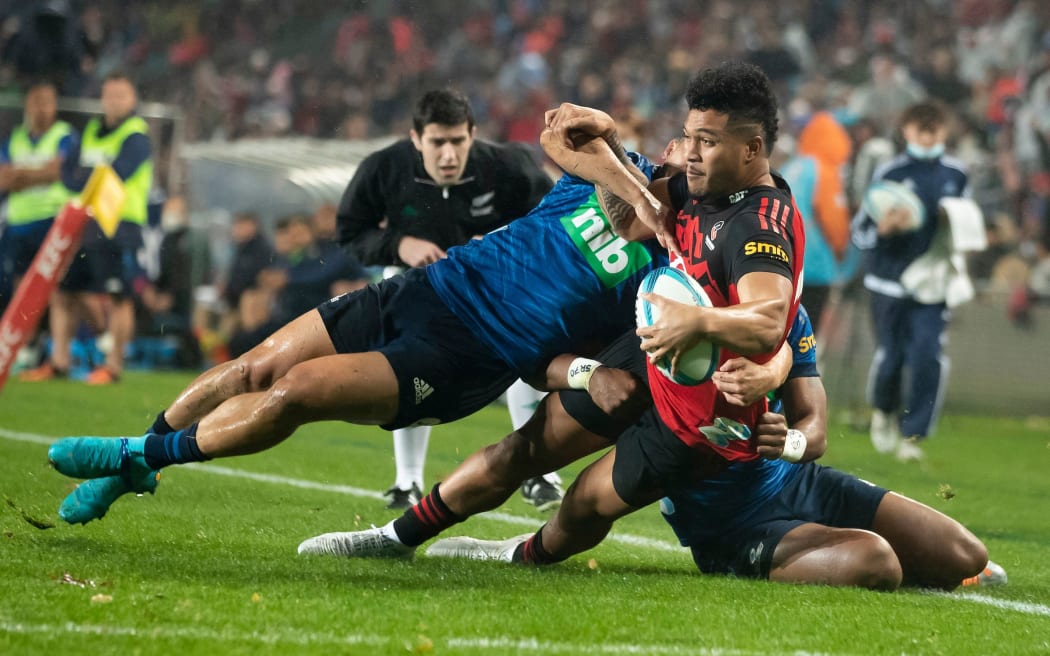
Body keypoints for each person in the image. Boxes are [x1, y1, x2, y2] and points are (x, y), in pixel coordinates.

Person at [296, 62, 805, 566]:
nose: (687, 152)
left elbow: (778, 320)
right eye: (684, 138)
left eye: (705, 141)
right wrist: (614, 154)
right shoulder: (669, 190)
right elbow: (569, 152)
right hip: (641, 349)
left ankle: (524, 554)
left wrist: (770, 367)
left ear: (748, 149)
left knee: (584, 501)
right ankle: (395, 538)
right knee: (521, 451)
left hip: (698, 392)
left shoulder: (756, 222)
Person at [45, 128, 672, 526]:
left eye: (692, 155)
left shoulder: (657, 276)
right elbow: (562, 131)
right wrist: (630, 175)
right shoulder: (617, 169)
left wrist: (587, 374)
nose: (677, 155)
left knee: (295, 392)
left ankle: (136, 455)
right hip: (420, 291)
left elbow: (548, 363)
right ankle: (135, 465)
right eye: (679, 145)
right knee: (252, 366)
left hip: (463, 356)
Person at [425, 306, 1005, 592]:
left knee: (967, 557)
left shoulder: (784, 316)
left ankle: (895, 556)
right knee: (876, 561)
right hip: (728, 523)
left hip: (798, 484)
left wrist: (793, 440)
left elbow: (816, 428)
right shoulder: (666, 304)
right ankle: (521, 550)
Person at [336, 88, 559, 510]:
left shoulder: (507, 166)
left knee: (527, 355)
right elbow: (350, 231)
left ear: (473, 134)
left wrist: (498, 242)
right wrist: (399, 244)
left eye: (458, 141)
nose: (449, 154)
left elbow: (552, 220)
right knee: (410, 364)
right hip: (417, 284)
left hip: (497, 285)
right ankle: (406, 482)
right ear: (416, 138)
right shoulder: (383, 168)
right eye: (438, 142)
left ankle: (539, 474)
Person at [851, 101, 968, 461]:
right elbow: (861, 231)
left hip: (932, 282)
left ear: (944, 133)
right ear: (907, 131)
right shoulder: (891, 172)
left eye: (934, 130)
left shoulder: (957, 174)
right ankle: (883, 414)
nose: (928, 137)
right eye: (921, 130)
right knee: (891, 357)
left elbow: (965, 223)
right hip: (889, 281)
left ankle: (912, 436)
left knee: (928, 355)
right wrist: (884, 230)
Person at [20, 72, 153, 384]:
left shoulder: (137, 135)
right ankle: (59, 361)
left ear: (132, 100)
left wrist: (86, 174)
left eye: (121, 95)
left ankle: (114, 366)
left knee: (118, 296)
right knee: (64, 291)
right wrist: (90, 175)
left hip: (121, 224)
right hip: (86, 222)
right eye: (110, 95)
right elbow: (70, 174)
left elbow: (118, 172)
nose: (115, 101)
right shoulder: (92, 130)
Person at [0, 81, 76, 317]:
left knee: (55, 287)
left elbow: (58, 173)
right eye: (36, 101)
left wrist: (19, 174)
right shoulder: (14, 138)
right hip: (18, 224)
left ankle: (55, 345)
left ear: (55, 105)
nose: (41, 108)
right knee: (20, 286)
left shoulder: (65, 136)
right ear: (27, 105)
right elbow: (3, 181)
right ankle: (24, 347)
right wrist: (42, 173)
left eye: (46, 102)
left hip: (52, 222)